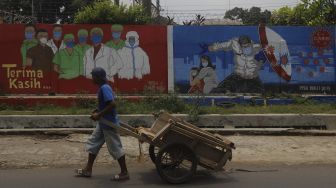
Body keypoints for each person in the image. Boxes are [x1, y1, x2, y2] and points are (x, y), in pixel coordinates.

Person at [75, 67, 129, 181]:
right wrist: (97, 111)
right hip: (102, 123)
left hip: (108, 123)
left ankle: (125, 172)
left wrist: (99, 115)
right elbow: (105, 104)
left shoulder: (104, 88)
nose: (92, 78)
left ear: (98, 77)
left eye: (93, 76)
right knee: (93, 143)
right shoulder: (103, 87)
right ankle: (88, 169)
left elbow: (112, 104)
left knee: (115, 147)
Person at [202, 35, 269, 93]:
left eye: (248, 46)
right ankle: (227, 93)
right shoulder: (235, 45)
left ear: (251, 44)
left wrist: (263, 59)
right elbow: (222, 46)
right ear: (240, 46)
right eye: (244, 47)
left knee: (261, 94)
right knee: (219, 90)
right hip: (237, 77)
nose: (246, 48)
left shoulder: (257, 48)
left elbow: (271, 52)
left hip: (253, 79)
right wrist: (209, 48)